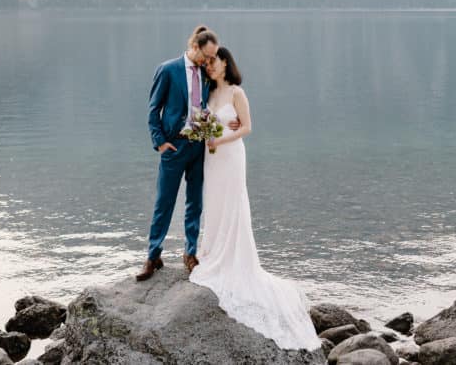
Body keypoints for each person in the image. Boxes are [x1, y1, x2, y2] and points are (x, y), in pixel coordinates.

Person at [189, 47, 320, 351]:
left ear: (225, 63)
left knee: (233, 203)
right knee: (215, 202)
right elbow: (199, 122)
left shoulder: (237, 93)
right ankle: (212, 252)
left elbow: (247, 127)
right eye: (207, 63)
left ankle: (233, 258)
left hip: (231, 155)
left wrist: (220, 137)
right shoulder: (208, 94)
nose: (210, 67)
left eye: (214, 62)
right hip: (212, 158)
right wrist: (201, 131)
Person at [136, 25, 218, 281]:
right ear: (194, 47)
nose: (209, 61)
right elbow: (153, 110)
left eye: (212, 57)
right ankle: (153, 256)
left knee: (195, 202)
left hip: (198, 146)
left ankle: (190, 254)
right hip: (173, 146)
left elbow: (209, 105)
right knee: (164, 202)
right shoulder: (168, 70)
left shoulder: (206, 74)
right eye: (206, 56)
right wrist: (160, 142)